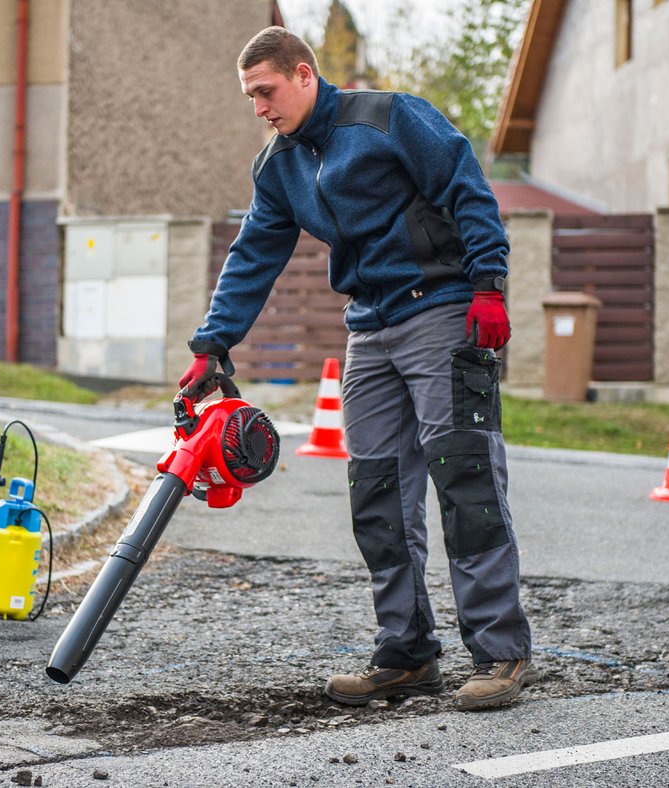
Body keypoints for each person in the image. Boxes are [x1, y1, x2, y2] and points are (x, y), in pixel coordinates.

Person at [179, 26, 536, 711]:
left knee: (466, 477)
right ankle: (406, 654)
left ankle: (501, 652)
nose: (259, 107)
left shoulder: (390, 118)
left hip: (441, 308)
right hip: (369, 328)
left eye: (267, 91)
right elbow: (254, 255)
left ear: (304, 75)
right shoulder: (279, 167)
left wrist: (489, 284)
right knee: (377, 493)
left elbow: (467, 187)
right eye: (250, 96)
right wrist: (211, 345)